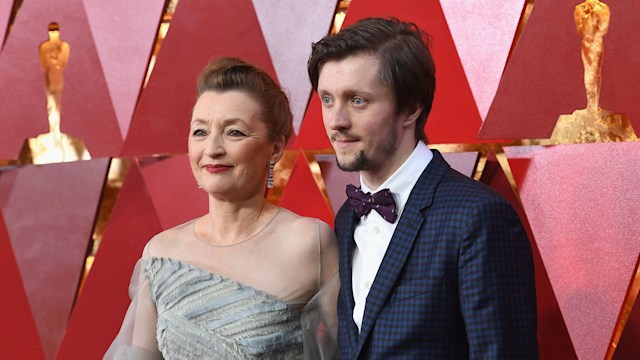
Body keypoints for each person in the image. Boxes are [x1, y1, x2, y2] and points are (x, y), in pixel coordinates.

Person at [308, 17, 538, 359]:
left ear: (411, 108)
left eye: (357, 101)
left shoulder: (477, 217)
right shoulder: (346, 218)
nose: (336, 121)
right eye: (327, 99)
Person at [105, 57, 339, 359]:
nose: (212, 149)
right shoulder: (161, 253)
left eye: (234, 132)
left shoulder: (310, 243)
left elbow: (352, 349)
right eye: (200, 132)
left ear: (276, 148)